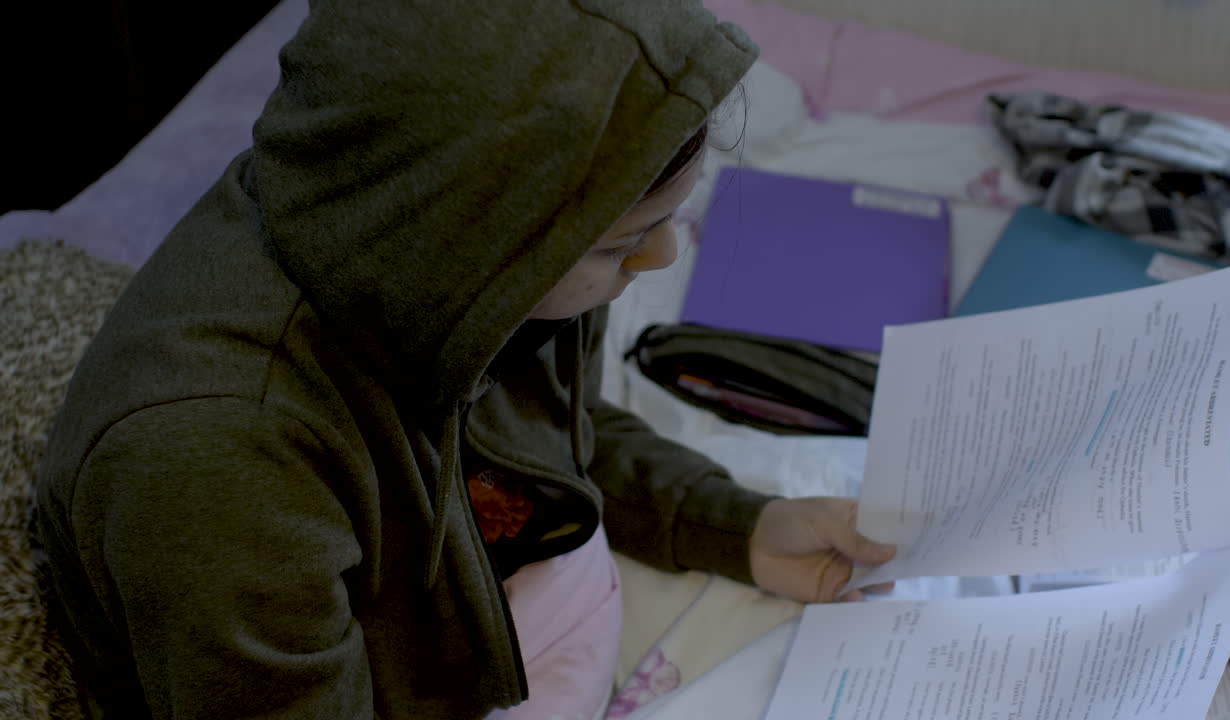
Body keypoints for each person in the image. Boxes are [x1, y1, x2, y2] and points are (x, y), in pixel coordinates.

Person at [33, 1, 895, 718]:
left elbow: (544, 436)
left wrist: (733, 524)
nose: (663, 257)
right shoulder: (215, 463)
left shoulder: (446, 257)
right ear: (477, 242)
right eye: (623, 242)